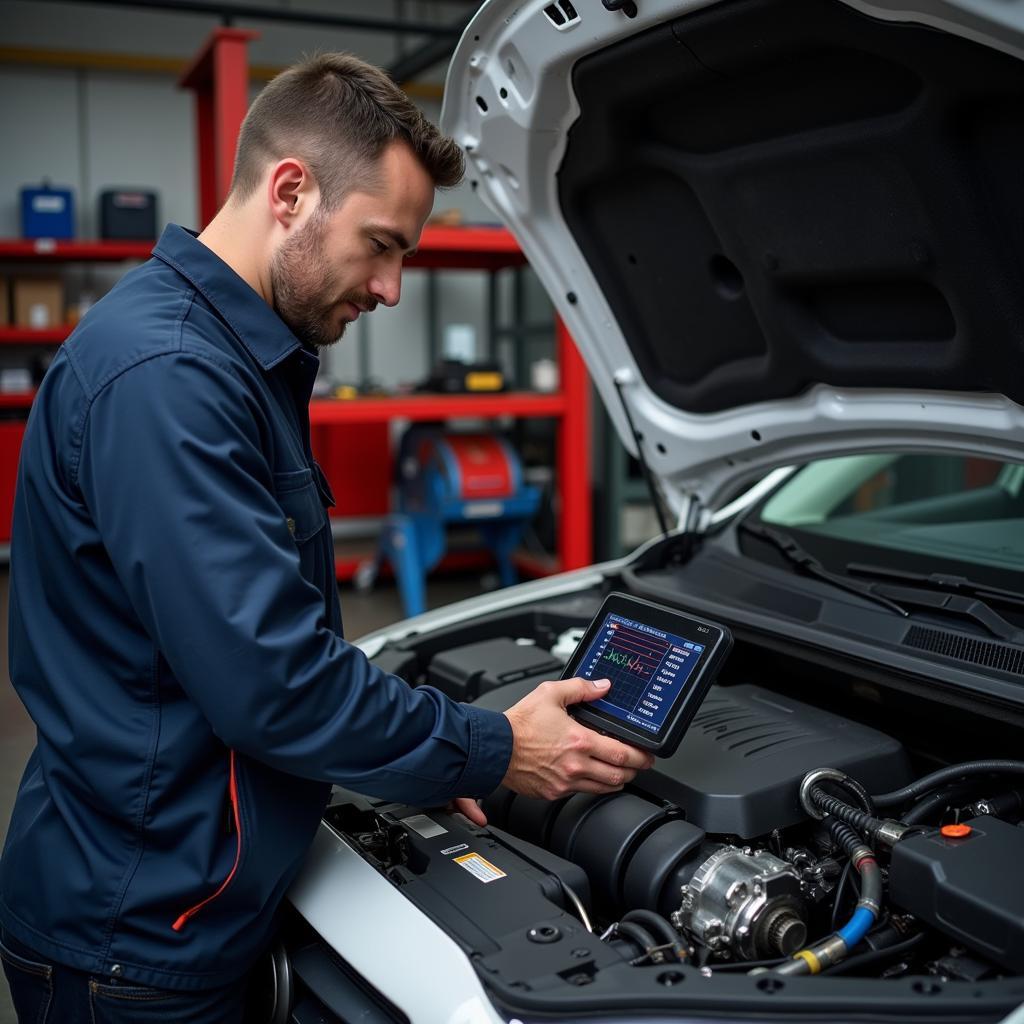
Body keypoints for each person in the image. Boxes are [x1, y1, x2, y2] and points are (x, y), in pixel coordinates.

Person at [0, 53, 652, 1023]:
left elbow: (261, 647)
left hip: (176, 885)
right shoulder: (170, 379)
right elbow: (278, 684)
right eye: (381, 245)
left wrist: (419, 762)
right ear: (291, 191)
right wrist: (491, 749)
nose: (391, 288)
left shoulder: (229, 354)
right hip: (135, 939)